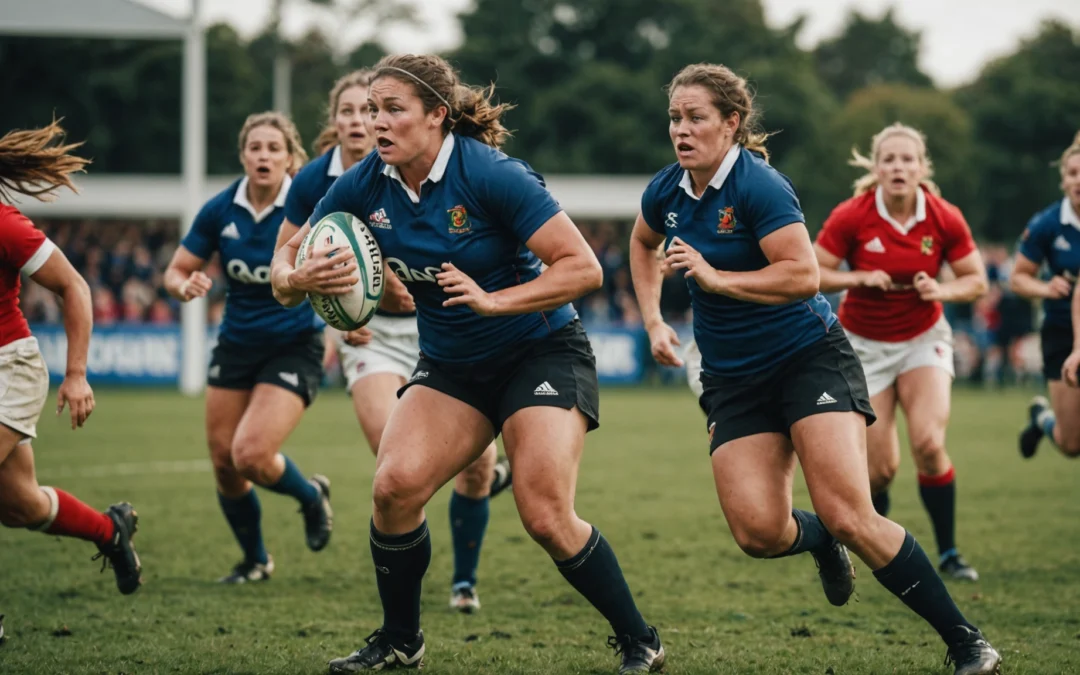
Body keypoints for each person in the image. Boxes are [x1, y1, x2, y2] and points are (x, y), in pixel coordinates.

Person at [271, 53, 664, 674]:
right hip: (454, 365)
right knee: (393, 488)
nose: (377, 123)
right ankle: (401, 640)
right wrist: (299, 275)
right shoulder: (362, 183)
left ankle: (639, 637)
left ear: (437, 116)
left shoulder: (492, 174)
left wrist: (493, 299)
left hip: (540, 352)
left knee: (543, 512)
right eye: (372, 109)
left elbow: (582, 268)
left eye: (393, 109)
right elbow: (283, 269)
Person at [629, 63, 1000, 675]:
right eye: (674, 117)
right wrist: (652, 321)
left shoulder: (760, 187)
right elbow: (644, 245)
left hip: (807, 361)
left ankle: (967, 642)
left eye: (696, 117)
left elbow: (803, 275)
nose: (682, 129)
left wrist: (719, 278)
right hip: (731, 378)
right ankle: (819, 539)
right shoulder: (665, 191)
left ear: (732, 123)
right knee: (758, 533)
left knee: (851, 512)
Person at [280, 70, 510, 613]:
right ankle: (406, 586)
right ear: (334, 122)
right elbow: (291, 260)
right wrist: (336, 312)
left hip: (442, 334)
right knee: (397, 463)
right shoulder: (322, 181)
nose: (365, 120)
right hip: (374, 337)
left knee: (475, 468)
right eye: (355, 110)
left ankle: (463, 580)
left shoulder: (452, 172)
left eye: (378, 109)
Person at [813, 123, 989, 582]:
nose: (898, 167)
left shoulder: (943, 215)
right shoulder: (852, 214)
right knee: (881, 471)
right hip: (864, 347)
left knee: (930, 443)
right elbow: (811, 271)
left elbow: (977, 280)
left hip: (922, 339)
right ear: (875, 168)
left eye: (907, 159)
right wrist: (858, 278)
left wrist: (942, 290)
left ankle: (949, 553)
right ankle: (880, 548)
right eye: (889, 159)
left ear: (921, 168)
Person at [163, 111, 333, 584]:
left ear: (290, 157)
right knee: (223, 463)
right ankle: (256, 560)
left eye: (273, 148)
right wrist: (184, 286)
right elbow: (174, 271)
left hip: (293, 345)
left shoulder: (309, 205)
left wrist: (349, 321)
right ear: (243, 155)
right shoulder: (220, 209)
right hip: (236, 346)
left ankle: (309, 496)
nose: (263, 156)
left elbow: (345, 266)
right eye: (255, 147)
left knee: (252, 455)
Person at [0, 119, 141, 594]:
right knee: (21, 506)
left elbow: (73, 286)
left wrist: (76, 373)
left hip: (9, 370)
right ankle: (111, 531)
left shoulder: (5, 225)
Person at [1014, 131, 1080, 459]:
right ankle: (1042, 419)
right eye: (1072, 173)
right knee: (1071, 444)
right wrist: (1046, 288)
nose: (1079, 180)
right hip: (1061, 329)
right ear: (1063, 180)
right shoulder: (1048, 224)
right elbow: (1018, 279)